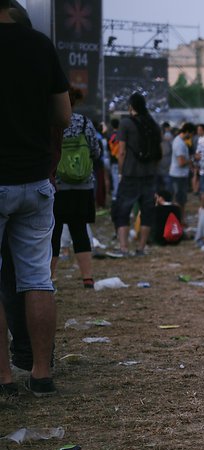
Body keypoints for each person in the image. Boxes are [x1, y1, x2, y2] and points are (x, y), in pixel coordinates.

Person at [0, 0, 72, 396]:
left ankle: (4, 378)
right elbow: (62, 115)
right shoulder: (40, 45)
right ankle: (41, 374)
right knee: (37, 279)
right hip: (34, 179)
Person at [52, 88, 101, 289]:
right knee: (80, 230)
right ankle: (87, 277)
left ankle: (47, 278)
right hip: (83, 185)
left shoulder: (53, 122)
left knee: (54, 232)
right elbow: (95, 151)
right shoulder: (83, 122)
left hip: (58, 186)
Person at [113, 92, 161, 256]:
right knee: (147, 211)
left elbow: (122, 152)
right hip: (149, 175)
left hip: (130, 174)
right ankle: (141, 247)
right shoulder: (153, 124)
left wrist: (120, 172)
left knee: (122, 210)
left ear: (131, 106)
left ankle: (124, 247)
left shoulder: (125, 123)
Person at [168, 122, 193, 210]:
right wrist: (193, 158)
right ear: (187, 132)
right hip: (179, 176)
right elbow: (181, 163)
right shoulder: (180, 144)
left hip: (178, 175)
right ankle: (179, 221)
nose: (191, 136)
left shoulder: (179, 140)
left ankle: (180, 220)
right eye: (191, 134)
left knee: (180, 199)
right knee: (180, 200)